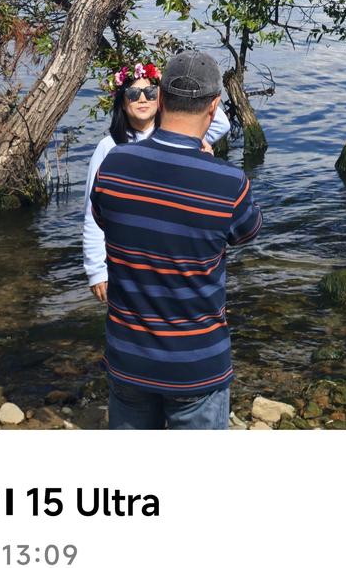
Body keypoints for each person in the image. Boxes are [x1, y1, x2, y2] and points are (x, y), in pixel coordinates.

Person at [91, 49, 262, 430]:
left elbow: (102, 220)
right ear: (215, 105)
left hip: (128, 355)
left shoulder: (114, 165)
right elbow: (247, 231)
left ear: (161, 98)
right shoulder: (229, 182)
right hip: (196, 362)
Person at [82, 60, 231, 301]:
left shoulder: (180, 136)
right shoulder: (108, 148)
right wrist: (97, 270)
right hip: (128, 252)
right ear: (122, 100)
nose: (142, 99)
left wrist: (179, 90)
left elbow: (221, 123)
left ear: (161, 98)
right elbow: (92, 214)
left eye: (151, 92)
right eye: (133, 93)